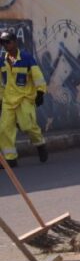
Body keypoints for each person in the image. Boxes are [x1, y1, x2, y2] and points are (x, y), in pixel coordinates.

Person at [0, 30, 48, 167]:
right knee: (4, 129)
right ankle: (10, 158)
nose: (5, 45)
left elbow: (37, 76)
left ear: (15, 42)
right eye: (2, 43)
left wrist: (40, 92)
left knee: (27, 125)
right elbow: (1, 82)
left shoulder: (26, 58)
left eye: (7, 42)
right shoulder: (2, 61)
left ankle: (40, 144)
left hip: (24, 98)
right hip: (8, 100)